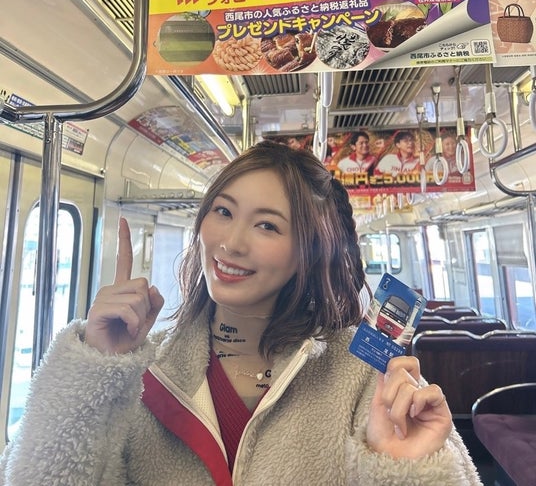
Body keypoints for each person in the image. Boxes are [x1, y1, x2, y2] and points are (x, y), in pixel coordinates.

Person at [0, 141, 482, 485]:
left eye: (267, 226)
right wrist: (94, 369)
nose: (230, 243)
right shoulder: (141, 371)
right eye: (224, 212)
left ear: (309, 252)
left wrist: (403, 467)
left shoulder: (367, 377)